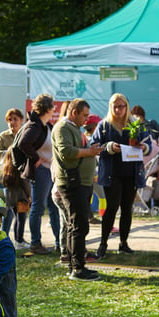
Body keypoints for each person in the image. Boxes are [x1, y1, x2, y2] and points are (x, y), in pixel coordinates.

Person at [91, 93, 150, 258]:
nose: (118, 109)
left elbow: (148, 144)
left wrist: (143, 147)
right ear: (110, 107)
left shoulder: (135, 124)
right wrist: (108, 147)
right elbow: (93, 145)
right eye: (115, 106)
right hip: (112, 173)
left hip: (131, 173)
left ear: (127, 107)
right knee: (111, 208)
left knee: (127, 209)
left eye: (122, 106)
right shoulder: (104, 125)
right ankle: (103, 243)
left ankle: (123, 243)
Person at [52, 98, 104, 281]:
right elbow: (66, 152)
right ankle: (77, 269)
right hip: (72, 183)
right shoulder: (62, 128)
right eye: (84, 115)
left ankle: (78, 265)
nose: (86, 120)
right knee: (78, 225)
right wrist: (89, 152)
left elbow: (78, 149)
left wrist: (91, 149)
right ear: (73, 112)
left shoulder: (74, 129)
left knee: (80, 224)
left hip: (83, 183)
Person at [12, 93, 60, 255]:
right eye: (52, 106)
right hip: (40, 172)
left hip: (49, 171)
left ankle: (59, 242)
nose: (54, 109)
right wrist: (35, 159)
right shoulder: (34, 126)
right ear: (47, 108)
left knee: (54, 207)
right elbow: (23, 143)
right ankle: (35, 243)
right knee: (38, 208)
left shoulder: (46, 125)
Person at [0, 107, 27, 247]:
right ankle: (3, 237)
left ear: (21, 120)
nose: (12, 122)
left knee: (23, 208)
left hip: (24, 176)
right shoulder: (3, 136)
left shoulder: (26, 134)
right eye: (9, 120)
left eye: (15, 119)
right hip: (9, 177)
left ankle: (19, 238)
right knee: (9, 209)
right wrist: (11, 151)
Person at [0, 147, 30, 247]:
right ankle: (19, 240)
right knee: (21, 219)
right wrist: (29, 195)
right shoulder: (20, 168)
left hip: (11, 199)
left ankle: (17, 240)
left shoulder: (6, 168)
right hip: (21, 198)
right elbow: (25, 184)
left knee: (16, 218)